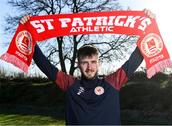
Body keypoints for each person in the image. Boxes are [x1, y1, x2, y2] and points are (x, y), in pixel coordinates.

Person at [20, 9, 155, 125]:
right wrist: (27, 31)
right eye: (85, 62)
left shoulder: (113, 82)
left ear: (99, 63)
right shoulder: (69, 84)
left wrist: (149, 25)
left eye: (93, 62)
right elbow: (45, 64)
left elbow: (136, 58)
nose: (89, 67)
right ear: (78, 65)